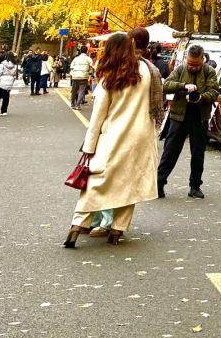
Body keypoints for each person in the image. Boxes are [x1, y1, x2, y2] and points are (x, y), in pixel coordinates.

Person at [64, 31, 160, 247]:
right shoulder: (147, 70)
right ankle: (117, 230)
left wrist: (89, 147)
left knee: (96, 182)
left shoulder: (110, 75)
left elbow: (98, 116)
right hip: (141, 136)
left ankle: (77, 225)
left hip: (113, 135)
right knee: (131, 183)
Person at [156, 44, 219, 199]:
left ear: (202, 59)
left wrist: (201, 97)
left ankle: (195, 186)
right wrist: (183, 86)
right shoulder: (180, 70)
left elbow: (214, 91)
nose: (192, 67)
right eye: (189, 63)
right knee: (170, 152)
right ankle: (159, 184)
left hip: (200, 117)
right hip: (179, 117)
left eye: (195, 64)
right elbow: (165, 86)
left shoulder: (209, 71)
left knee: (198, 154)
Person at [128, 27, 166, 127]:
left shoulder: (119, 68)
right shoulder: (153, 71)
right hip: (145, 127)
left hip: (119, 129)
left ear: (131, 42)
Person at [0, 51, 20, 115]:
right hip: (9, 81)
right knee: (6, 96)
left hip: (2, 81)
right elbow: (15, 75)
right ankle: (4, 110)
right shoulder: (14, 64)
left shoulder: (3, 64)